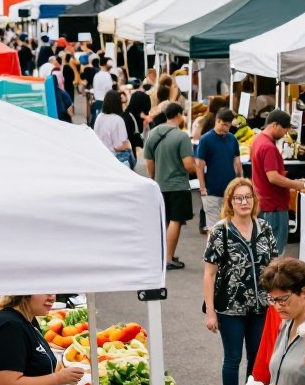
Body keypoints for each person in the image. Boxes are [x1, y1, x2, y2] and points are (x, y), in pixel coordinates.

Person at [203, 178, 277, 385]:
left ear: (254, 200)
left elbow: (274, 268)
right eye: (238, 198)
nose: (244, 202)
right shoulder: (220, 231)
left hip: (261, 308)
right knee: (233, 358)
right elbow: (209, 274)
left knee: (258, 359)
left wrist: (278, 300)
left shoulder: (264, 228)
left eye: (248, 197)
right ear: (230, 202)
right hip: (230, 308)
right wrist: (211, 312)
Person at [144, 102, 197, 270]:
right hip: (178, 185)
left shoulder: (153, 133)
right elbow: (188, 164)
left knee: (164, 221)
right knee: (176, 220)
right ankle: (168, 258)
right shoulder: (181, 137)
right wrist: (200, 171)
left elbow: (149, 161)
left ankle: (161, 255)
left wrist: (153, 177)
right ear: (179, 115)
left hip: (160, 184)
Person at [250, 109, 305, 257]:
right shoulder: (268, 147)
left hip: (264, 203)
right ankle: (272, 280)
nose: (285, 134)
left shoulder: (257, 140)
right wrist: (295, 184)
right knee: (274, 253)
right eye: (285, 129)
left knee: (263, 251)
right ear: (275, 125)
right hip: (274, 206)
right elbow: (273, 177)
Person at [196, 107, 242, 230]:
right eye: (222, 125)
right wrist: (202, 188)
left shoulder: (232, 139)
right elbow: (199, 166)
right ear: (217, 121)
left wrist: (240, 182)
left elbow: (237, 162)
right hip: (211, 191)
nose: (224, 129)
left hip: (229, 192)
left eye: (227, 126)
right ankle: (214, 249)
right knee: (214, 229)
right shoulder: (205, 139)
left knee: (229, 228)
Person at [92, 89, 132, 165]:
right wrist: (128, 145)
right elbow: (118, 146)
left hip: (98, 156)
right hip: (113, 158)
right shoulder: (118, 120)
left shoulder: (99, 116)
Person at [89, 59, 114, 124]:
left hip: (97, 101)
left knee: (94, 123)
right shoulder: (107, 76)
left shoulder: (96, 75)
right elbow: (109, 90)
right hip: (104, 102)